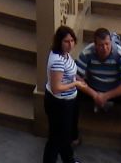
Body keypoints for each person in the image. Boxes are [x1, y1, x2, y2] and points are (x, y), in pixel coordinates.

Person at [72, 29, 121, 157]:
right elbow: (76, 77)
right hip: (93, 88)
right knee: (71, 93)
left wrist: (105, 96)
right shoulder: (87, 52)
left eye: (107, 44)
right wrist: (94, 94)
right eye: (101, 45)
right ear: (95, 45)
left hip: (114, 90)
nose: (105, 48)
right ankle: (73, 136)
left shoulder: (120, 54)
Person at [42, 26, 78, 163]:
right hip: (59, 104)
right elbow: (56, 88)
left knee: (64, 136)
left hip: (67, 102)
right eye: (66, 41)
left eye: (72, 41)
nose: (70, 44)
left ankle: (69, 160)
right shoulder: (57, 60)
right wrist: (76, 84)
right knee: (55, 139)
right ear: (59, 42)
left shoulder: (65, 54)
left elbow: (68, 75)